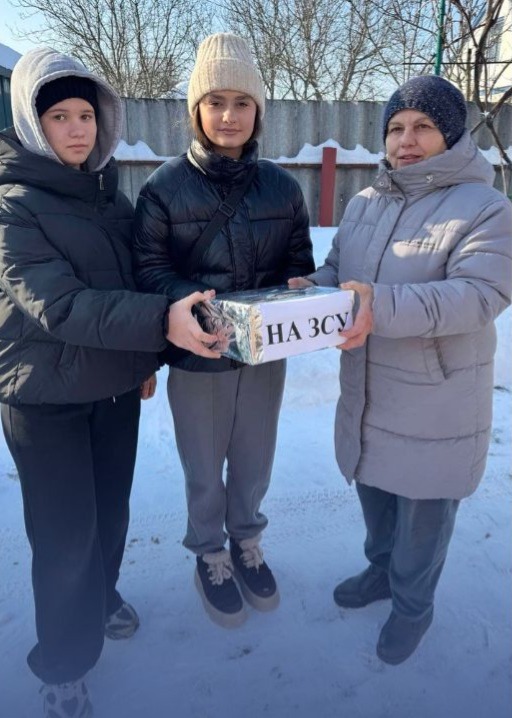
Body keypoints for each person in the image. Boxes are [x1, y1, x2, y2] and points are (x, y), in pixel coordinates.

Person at [0, 47, 219, 718]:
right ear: (31, 122)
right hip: (44, 401)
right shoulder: (12, 206)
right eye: (59, 116)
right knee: (65, 537)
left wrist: (145, 360)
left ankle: (101, 597)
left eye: (86, 115)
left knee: (110, 517)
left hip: (113, 393)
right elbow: (61, 306)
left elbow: (136, 281)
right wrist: (161, 324)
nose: (77, 129)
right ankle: (64, 666)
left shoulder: (108, 198)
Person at [289, 75, 512, 665]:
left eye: (423, 127)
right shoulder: (366, 202)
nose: (405, 140)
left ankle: (413, 607)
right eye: (395, 128)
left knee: (423, 518)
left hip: (437, 397)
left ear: (452, 135)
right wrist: (309, 292)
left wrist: (376, 306)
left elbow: (479, 295)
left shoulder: (486, 208)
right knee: (376, 494)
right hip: (370, 387)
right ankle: (380, 572)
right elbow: (340, 271)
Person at [134, 33, 315, 628]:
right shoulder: (163, 187)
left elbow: (299, 262)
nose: (229, 115)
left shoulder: (283, 188)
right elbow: (150, 269)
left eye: (242, 102)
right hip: (199, 354)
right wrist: (190, 307)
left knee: (255, 458)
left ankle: (247, 541)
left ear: (258, 110)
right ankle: (210, 553)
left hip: (264, 354)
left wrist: (296, 291)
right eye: (215, 101)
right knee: (204, 464)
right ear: (196, 109)